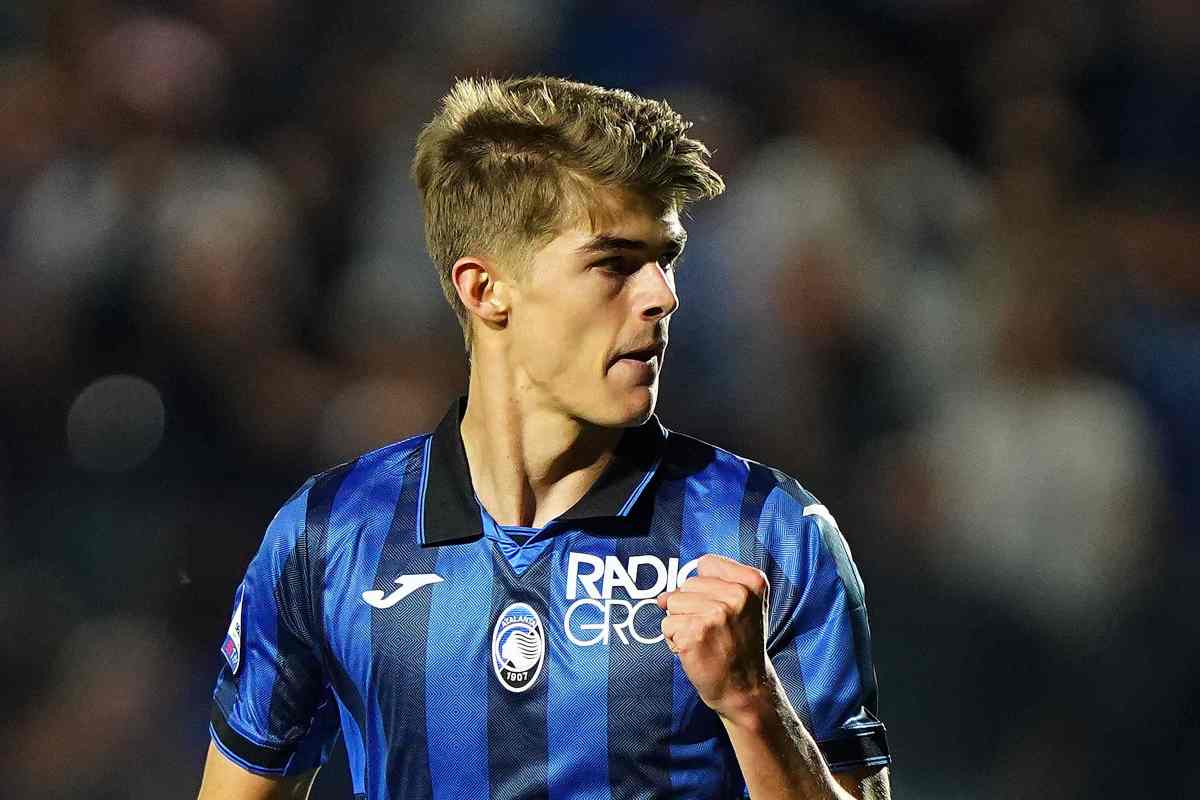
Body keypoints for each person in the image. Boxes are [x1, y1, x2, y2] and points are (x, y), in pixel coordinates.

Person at [196, 76, 892, 800]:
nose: (663, 295)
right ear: (485, 289)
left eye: (666, 259)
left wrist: (754, 706)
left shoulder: (768, 531)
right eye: (614, 264)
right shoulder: (329, 535)